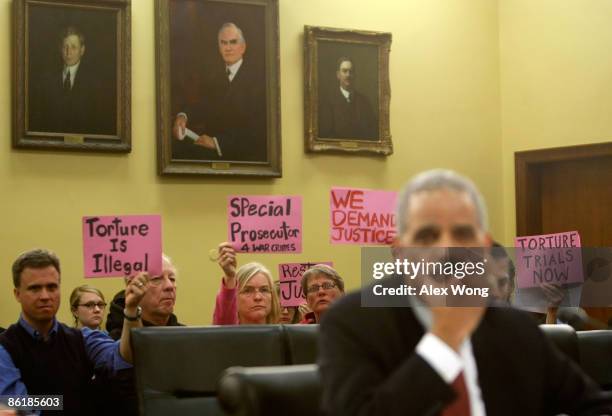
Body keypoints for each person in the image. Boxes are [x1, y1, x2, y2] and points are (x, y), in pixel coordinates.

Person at [319, 169, 612, 415]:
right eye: (427, 235)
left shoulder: (513, 327)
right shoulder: (352, 322)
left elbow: (593, 406)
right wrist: (445, 341)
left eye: (461, 234)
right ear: (401, 249)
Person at [0, 249, 147, 414]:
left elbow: (122, 359)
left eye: (52, 287)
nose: (45, 296)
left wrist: (132, 308)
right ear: (17, 294)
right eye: (35, 288)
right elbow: (17, 406)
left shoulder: (82, 338)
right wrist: (64, 399)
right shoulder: (5, 347)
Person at [172, 22, 267, 162]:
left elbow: (258, 130)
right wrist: (183, 116)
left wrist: (217, 143)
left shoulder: (259, 80)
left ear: (243, 47)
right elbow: (203, 106)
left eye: (233, 42)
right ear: (219, 47)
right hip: (212, 157)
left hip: (245, 159)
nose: (228, 48)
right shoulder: (215, 77)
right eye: (223, 43)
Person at [29, 26, 115, 135]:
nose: (68, 52)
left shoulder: (95, 83)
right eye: (65, 47)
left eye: (74, 47)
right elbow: (38, 120)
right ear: (60, 48)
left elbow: (100, 123)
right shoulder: (46, 80)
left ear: (82, 50)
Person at [106, 254, 182, 340]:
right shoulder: (112, 344)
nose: (170, 286)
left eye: (172, 279)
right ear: (133, 287)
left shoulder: (187, 338)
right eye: (156, 279)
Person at [213, 242, 280, 324]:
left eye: (264, 290)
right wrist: (230, 277)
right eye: (247, 291)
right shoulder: (228, 335)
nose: (258, 297)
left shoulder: (285, 334)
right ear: (235, 298)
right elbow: (225, 322)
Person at [318, 56, 378, 140]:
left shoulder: (364, 102)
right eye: (344, 71)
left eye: (351, 71)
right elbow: (326, 134)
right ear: (338, 75)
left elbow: (372, 132)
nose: (348, 75)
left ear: (355, 75)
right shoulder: (328, 102)